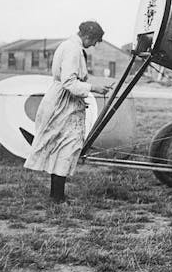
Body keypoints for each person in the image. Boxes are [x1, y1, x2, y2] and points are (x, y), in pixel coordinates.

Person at [24, 21, 113, 203]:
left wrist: (93, 85)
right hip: (63, 104)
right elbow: (69, 82)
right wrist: (94, 88)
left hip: (60, 100)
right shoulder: (73, 49)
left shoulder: (68, 45)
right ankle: (57, 196)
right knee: (67, 147)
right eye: (95, 41)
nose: (94, 45)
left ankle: (56, 194)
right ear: (88, 36)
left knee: (61, 147)